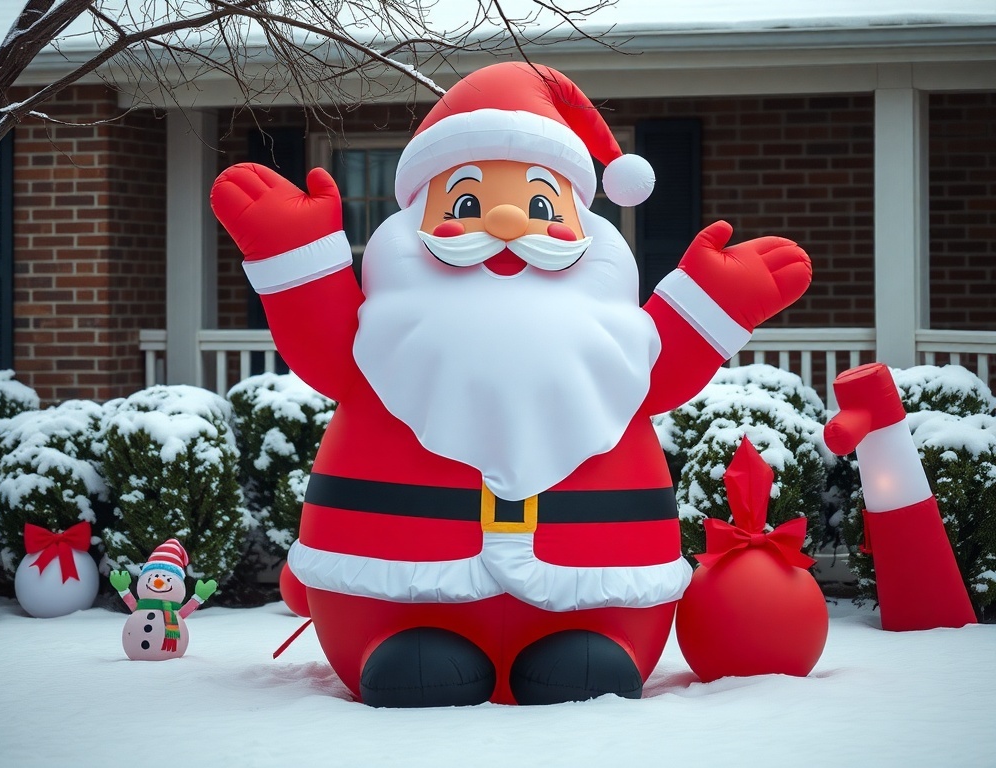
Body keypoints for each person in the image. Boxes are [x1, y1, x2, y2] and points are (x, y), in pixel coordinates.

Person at [211, 61, 812, 707]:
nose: (503, 220)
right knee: (417, 662)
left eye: (539, 206)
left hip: (596, 591)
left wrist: (712, 302)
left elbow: (658, 370)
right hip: (393, 592)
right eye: (466, 204)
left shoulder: (611, 334)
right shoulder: (383, 331)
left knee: (584, 664)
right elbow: (326, 348)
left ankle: (591, 642)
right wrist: (294, 254)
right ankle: (402, 642)